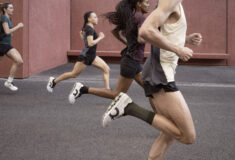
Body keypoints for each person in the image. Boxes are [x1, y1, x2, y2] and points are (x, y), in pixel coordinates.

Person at [102, 0, 203, 159]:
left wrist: (186, 39)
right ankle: (129, 107)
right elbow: (146, 31)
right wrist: (178, 49)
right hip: (160, 73)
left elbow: (163, 33)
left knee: (169, 131)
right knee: (187, 136)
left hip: (160, 70)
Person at [68, 0, 151, 105]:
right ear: (139, 4)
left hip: (132, 60)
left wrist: (128, 43)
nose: (148, 5)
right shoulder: (141, 17)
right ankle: (82, 89)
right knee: (116, 94)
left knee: (149, 88)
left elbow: (115, 32)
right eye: (146, 2)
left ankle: (160, 114)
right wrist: (152, 38)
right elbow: (141, 39)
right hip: (132, 61)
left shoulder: (131, 17)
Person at [47, 11, 110, 93]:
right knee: (74, 74)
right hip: (85, 56)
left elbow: (84, 38)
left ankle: (107, 90)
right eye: (94, 17)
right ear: (89, 19)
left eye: (96, 17)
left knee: (106, 69)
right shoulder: (89, 29)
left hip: (92, 56)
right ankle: (53, 81)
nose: (96, 19)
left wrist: (85, 37)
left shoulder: (87, 28)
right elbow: (90, 43)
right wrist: (100, 37)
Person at [0, 2, 24, 91]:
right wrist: (18, 26)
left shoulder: (8, 18)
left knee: (19, 61)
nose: (12, 9)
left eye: (13, 8)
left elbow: (6, 31)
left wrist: (11, 33)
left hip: (5, 44)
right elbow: (6, 31)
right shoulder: (4, 18)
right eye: (10, 8)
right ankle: (9, 82)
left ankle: (9, 82)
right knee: (19, 61)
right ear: (5, 9)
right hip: (2, 45)